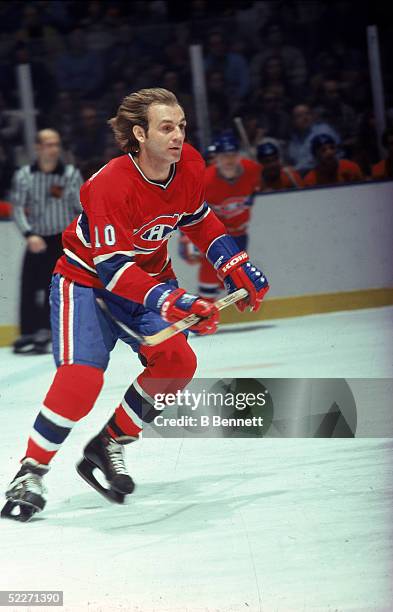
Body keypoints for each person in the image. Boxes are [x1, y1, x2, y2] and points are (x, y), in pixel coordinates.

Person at [2, 89, 269, 522]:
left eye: (181, 125)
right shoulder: (108, 184)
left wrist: (233, 261)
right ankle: (30, 472)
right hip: (86, 281)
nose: (179, 135)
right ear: (139, 134)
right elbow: (113, 270)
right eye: (167, 127)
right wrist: (175, 299)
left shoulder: (189, 166)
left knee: (177, 363)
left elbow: (198, 219)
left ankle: (108, 444)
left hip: (147, 279)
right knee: (81, 378)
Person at [11, 129, 83, 355]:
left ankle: (47, 330)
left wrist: (76, 238)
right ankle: (28, 332)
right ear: (38, 148)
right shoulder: (25, 175)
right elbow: (17, 208)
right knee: (29, 285)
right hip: (36, 237)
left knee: (55, 287)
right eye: (49, 144)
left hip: (61, 240)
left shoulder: (70, 174)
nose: (54, 149)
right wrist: (29, 234)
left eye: (56, 144)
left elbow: (79, 208)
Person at [180, 133, 261, 300]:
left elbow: (255, 188)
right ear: (216, 158)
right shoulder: (205, 180)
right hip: (215, 236)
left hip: (239, 234)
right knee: (211, 271)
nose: (229, 160)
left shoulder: (253, 170)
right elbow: (188, 206)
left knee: (231, 276)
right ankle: (203, 306)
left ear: (239, 155)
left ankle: (205, 301)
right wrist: (185, 237)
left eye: (233, 155)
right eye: (224, 156)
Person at [287, 104, 340, 176]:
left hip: (328, 173)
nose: (305, 118)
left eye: (307, 114)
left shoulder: (323, 130)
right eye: (300, 116)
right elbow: (292, 161)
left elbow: (318, 159)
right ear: (293, 120)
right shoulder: (294, 140)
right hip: (303, 178)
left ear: (312, 116)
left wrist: (295, 169)